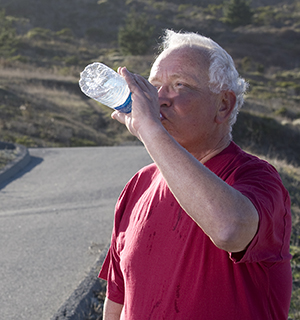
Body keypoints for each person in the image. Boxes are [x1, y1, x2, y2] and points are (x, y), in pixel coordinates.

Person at [99, 30, 292, 320]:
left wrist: (149, 129)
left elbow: (230, 230)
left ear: (223, 105)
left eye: (180, 85)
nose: (160, 99)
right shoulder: (139, 185)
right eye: (155, 86)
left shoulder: (257, 178)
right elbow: (117, 299)